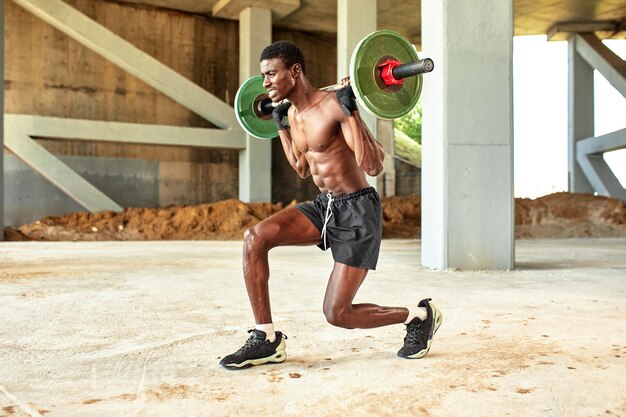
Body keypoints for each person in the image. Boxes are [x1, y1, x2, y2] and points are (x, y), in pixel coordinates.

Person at [219, 40, 442, 370]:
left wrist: (351, 110)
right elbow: (301, 166)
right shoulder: (292, 114)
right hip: (325, 205)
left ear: (294, 71)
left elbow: (373, 166)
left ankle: (420, 316)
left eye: (270, 74)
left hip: (358, 210)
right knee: (256, 238)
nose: (264, 83)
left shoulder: (333, 105)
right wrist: (280, 124)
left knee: (337, 313)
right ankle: (266, 339)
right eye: (262, 76)